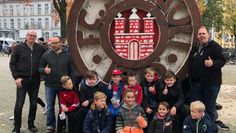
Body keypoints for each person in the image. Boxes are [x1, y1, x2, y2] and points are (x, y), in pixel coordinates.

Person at [188, 26, 226, 132]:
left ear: (208, 35)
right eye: (200, 34)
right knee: (195, 108)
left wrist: (213, 63)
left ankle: (210, 129)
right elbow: (190, 64)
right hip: (196, 84)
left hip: (211, 84)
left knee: (209, 109)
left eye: (204, 33)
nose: (202, 36)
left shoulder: (215, 46)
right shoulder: (195, 48)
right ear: (197, 36)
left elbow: (222, 61)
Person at [9, 30, 46, 133]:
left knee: (33, 103)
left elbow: (47, 59)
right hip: (22, 80)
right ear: (26, 36)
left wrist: (43, 73)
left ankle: (31, 124)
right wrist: (16, 77)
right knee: (19, 104)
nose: (32, 37)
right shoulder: (18, 48)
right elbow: (12, 64)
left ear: (36, 37)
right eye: (30, 35)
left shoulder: (40, 48)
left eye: (34, 36)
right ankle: (17, 127)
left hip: (35, 80)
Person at [38, 36, 75, 133]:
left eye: (55, 43)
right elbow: (39, 68)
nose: (53, 45)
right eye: (51, 43)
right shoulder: (46, 55)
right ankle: (51, 126)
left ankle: (61, 125)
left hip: (63, 87)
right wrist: (44, 70)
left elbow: (72, 72)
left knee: (62, 107)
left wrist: (72, 85)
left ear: (61, 43)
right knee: (50, 106)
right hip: (49, 85)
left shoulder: (68, 56)